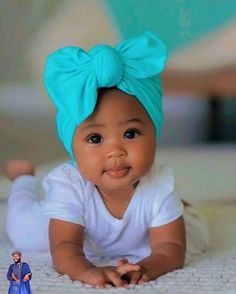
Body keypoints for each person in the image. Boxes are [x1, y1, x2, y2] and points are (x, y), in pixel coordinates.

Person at [4, 31, 209, 288]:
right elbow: (64, 248)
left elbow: (171, 249)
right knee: (22, 232)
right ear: (73, 147)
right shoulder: (70, 185)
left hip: (136, 230)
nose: (115, 152)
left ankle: (177, 209)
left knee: (196, 237)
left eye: (130, 133)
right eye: (95, 139)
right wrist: (90, 272)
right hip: (72, 222)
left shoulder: (158, 183)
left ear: (154, 133)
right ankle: (23, 178)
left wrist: (144, 268)